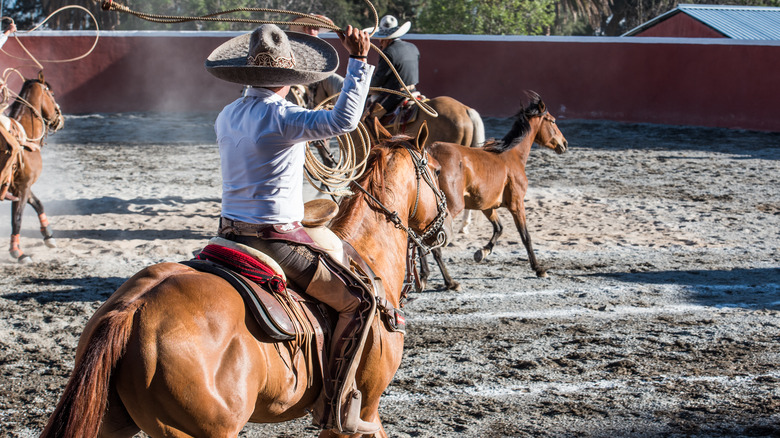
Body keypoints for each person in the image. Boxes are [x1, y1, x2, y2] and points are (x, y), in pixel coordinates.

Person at [204, 23, 379, 435]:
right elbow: (346, 119)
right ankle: (336, 408)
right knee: (360, 302)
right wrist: (358, 61)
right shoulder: (283, 117)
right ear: (289, 79)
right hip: (276, 239)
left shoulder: (227, 114)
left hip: (227, 235)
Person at [364, 15, 419, 120]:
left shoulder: (388, 52)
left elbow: (379, 80)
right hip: (413, 91)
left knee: (369, 117)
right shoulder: (413, 47)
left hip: (396, 95)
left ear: (384, 39)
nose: (379, 41)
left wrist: (366, 85)